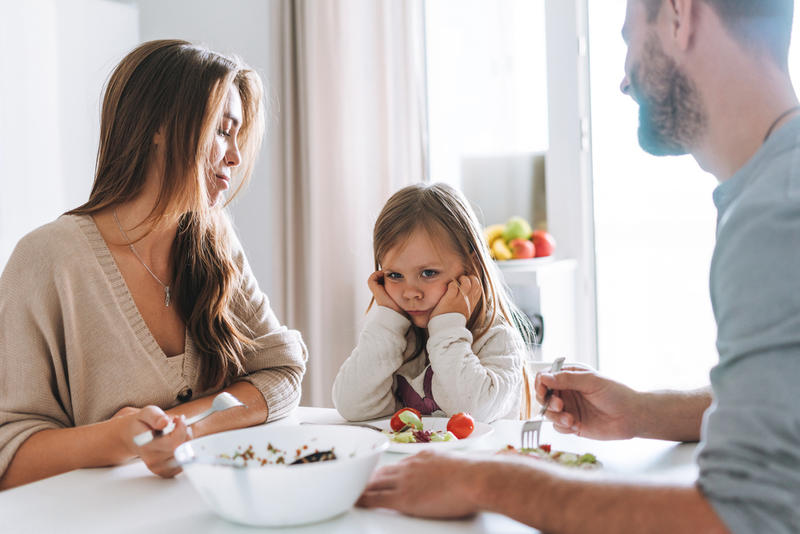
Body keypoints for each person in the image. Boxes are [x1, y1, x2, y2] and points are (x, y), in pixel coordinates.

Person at [357, 0, 800, 532]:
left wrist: (486, 480)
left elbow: (750, 517)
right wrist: (642, 412)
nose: (624, 81)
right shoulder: (774, 193)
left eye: (629, 40)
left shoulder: (776, 215)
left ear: (681, 16)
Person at [0, 40, 307, 489]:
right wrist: (119, 439)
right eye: (223, 130)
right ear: (159, 127)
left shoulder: (214, 241)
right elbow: (8, 454)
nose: (236, 157)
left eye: (237, 136)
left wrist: (182, 427)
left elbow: (282, 373)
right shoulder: (48, 259)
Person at [332, 183, 533, 423]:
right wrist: (386, 321)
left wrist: (447, 328)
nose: (410, 293)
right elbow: (352, 406)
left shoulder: (497, 339)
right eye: (395, 275)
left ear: (471, 267)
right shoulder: (396, 338)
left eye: (428, 273)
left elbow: (472, 412)